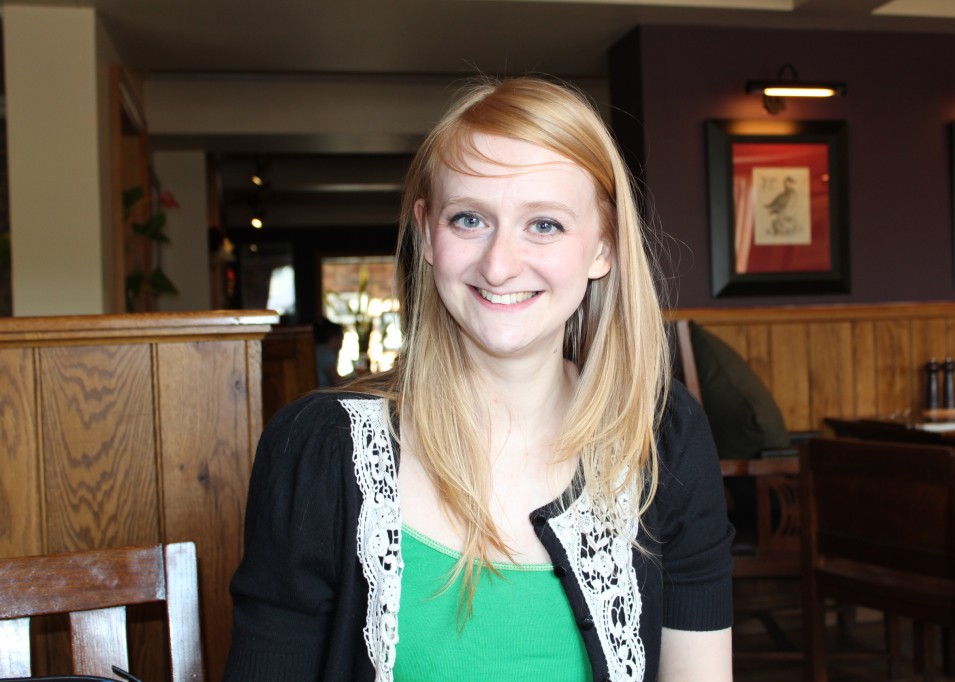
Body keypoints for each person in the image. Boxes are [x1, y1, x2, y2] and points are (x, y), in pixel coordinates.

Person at [223, 76, 734, 682]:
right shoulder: (318, 450)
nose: (499, 265)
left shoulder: (663, 435)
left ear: (604, 247)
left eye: (544, 224)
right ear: (426, 234)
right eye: (469, 219)